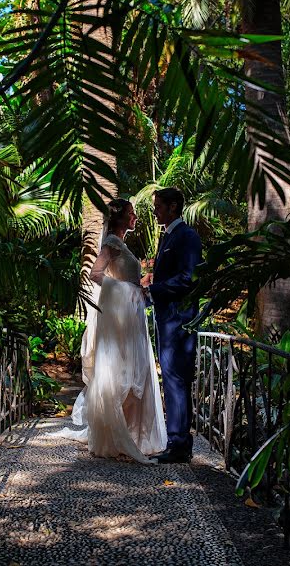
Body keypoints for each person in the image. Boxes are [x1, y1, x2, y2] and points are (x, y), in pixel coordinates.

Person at [50, 198, 167, 463]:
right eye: (131, 213)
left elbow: (125, 278)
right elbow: (96, 274)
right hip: (119, 321)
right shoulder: (112, 243)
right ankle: (113, 435)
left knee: (133, 372)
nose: (135, 216)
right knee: (119, 374)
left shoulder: (122, 244)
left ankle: (132, 432)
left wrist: (141, 283)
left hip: (130, 318)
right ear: (121, 218)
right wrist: (128, 289)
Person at [142, 187, 202, 464]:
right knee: (172, 380)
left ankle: (179, 445)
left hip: (179, 321)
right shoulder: (169, 235)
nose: (155, 211)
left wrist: (153, 290)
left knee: (177, 381)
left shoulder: (186, 236)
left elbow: (188, 278)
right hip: (168, 320)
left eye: (158, 206)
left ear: (173, 207)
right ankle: (176, 442)